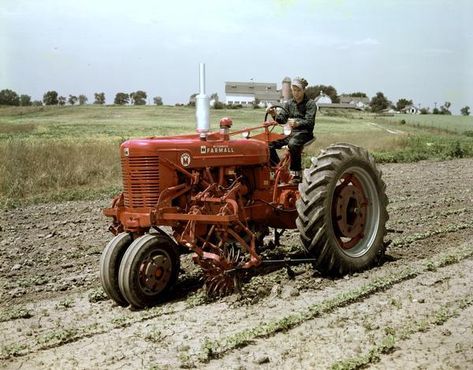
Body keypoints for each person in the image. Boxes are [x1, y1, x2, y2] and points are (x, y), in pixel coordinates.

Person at [266, 77, 317, 184]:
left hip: (305, 132)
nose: (296, 93)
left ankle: (296, 175)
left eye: (298, 90)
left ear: (304, 90)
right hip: (290, 133)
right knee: (268, 143)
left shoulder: (310, 104)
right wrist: (274, 114)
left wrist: (297, 123)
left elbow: (310, 122)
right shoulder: (289, 103)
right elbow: (282, 119)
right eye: (294, 90)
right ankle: (279, 170)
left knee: (293, 144)